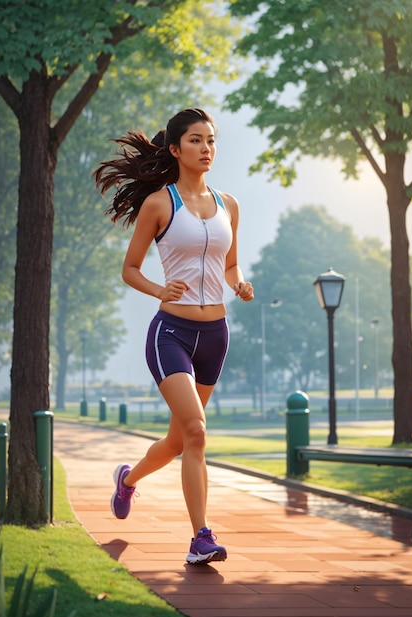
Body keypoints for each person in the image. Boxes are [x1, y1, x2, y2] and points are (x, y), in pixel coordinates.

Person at [95, 108, 254, 564]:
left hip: (216, 335)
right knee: (198, 432)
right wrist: (158, 288)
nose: (206, 149)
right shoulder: (160, 204)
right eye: (196, 140)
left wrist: (239, 283)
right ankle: (200, 538)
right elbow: (129, 268)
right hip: (172, 334)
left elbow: (229, 264)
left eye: (211, 141)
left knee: (179, 441)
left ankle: (127, 480)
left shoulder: (230, 204)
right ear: (175, 148)